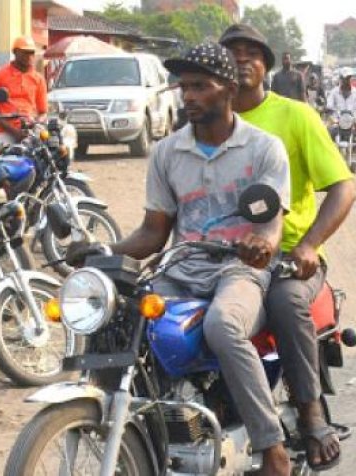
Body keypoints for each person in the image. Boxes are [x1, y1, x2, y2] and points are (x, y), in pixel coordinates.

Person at [69, 43, 293, 476]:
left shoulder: (264, 148)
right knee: (118, 318)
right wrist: (103, 253)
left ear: (228, 89)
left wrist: (260, 244)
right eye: (184, 87)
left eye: (199, 87)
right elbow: (154, 231)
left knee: (223, 325)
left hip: (240, 269)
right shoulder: (168, 152)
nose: (187, 95)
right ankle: (135, 428)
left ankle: (272, 448)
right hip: (179, 268)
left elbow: (271, 226)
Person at [220, 23, 356, 472]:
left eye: (251, 53)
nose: (242, 60)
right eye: (232, 52)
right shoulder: (206, 121)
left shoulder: (296, 117)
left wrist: (311, 244)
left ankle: (311, 415)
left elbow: (342, 188)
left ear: (267, 65)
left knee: (284, 298)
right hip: (222, 257)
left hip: (288, 254)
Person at [0, 36, 48, 151]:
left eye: (31, 53)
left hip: (32, 130)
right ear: (15, 52)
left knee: (51, 151)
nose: (29, 56)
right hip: (6, 131)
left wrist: (35, 125)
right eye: (25, 53)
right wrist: (15, 132)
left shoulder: (38, 79)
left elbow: (43, 112)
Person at [326, 68, 356, 166]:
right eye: (345, 78)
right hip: (337, 120)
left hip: (353, 120)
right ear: (340, 79)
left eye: (349, 78)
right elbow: (329, 106)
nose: (347, 81)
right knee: (328, 130)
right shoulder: (333, 92)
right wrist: (329, 112)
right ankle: (328, 156)